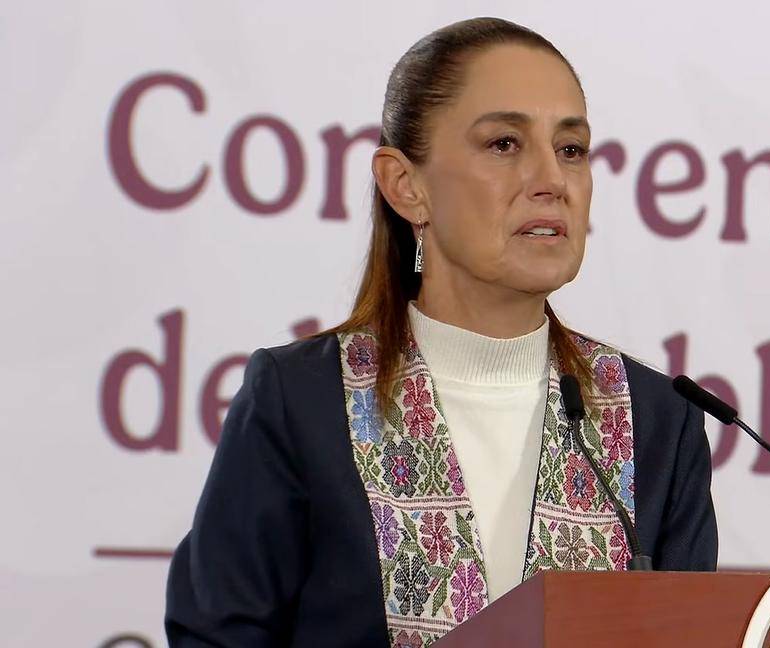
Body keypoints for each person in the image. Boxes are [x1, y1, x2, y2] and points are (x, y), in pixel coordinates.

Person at [165, 16, 717, 647]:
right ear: (406, 186)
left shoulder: (656, 421)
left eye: (571, 149)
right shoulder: (302, 402)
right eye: (504, 143)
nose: (551, 181)